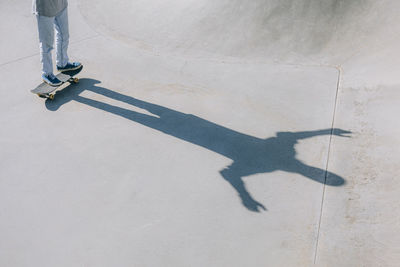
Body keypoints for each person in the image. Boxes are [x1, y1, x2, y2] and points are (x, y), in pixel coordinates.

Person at [32, 0, 81, 86]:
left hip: (61, 4)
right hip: (45, 8)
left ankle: (62, 63)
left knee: (64, 35)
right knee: (46, 44)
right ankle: (47, 74)